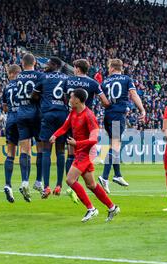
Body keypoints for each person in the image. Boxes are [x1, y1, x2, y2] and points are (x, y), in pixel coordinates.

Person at [50, 89, 120, 222]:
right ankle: (112, 207)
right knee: (91, 185)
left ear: (77, 100)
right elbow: (65, 127)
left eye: (71, 97)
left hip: (87, 152)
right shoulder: (73, 112)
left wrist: (77, 143)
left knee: (70, 180)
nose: (69, 100)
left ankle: (91, 209)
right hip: (80, 151)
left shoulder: (89, 116)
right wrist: (55, 135)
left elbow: (94, 139)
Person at [63, 59, 110, 203]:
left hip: (72, 118)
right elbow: (105, 101)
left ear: (76, 68)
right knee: (85, 149)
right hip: (86, 118)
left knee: (71, 151)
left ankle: (71, 184)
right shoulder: (93, 83)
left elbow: (65, 98)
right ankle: (74, 182)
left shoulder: (68, 81)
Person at [98, 59, 146, 194]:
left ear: (113, 68)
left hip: (107, 116)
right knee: (115, 146)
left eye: (109, 67)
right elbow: (133, 94)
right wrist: (142, 109)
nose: (108, 69)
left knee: (114, 144)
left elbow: (104, 102)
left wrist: (109, 105)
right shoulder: (126, 79)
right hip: (118, 115)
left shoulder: (105, 81)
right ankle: (104, 176)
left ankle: (117, 175)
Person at [32, 57, 69, 198]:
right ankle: (59, 185)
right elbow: (67, 97)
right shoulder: (66, 78)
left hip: (48, 114)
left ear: (55, 65)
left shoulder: (43, 77)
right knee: (60, 150)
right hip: (62, 114)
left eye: (48, 64)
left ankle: (46, 187)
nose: (45, 66)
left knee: (46, 149)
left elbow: (33, 96)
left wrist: (41, 97)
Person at [15, 53, 44, 202]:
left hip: (21, 113)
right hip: (36, 114)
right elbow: (41, 94)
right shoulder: (39, 75)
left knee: (24, 150)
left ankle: (24, 180)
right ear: (35, 63)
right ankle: (38, 181)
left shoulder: (18, 77)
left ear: (22, 63)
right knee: (40, 148)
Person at [3, 64, 21, 203]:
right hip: (22, 117)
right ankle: (24, 182)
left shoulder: (6, 87)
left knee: (10, 153)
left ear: (11, 73)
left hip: (10, 119)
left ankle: (8, 184)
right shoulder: (23, 84)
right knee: (26, 149)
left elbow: (4, 107)